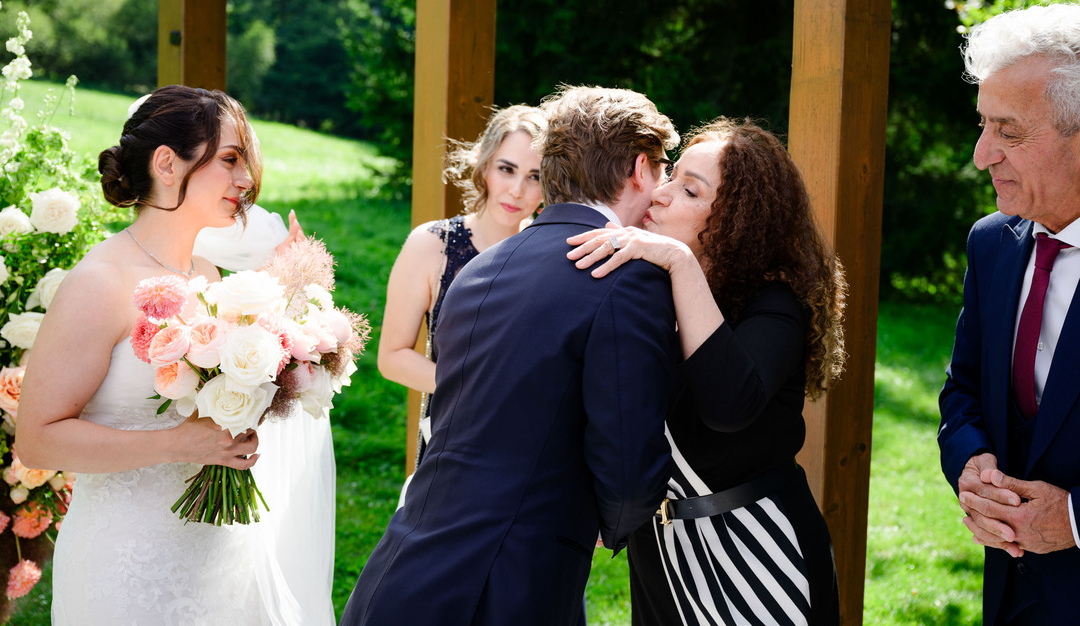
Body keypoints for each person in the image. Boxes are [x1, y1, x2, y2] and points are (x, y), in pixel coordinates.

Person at [340, 86, 682, 625]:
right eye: (664, 168)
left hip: (404, 568)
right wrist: (615, 519)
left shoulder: (479, 269)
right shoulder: (625, 275)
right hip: (509, 585)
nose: (664, 189)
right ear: (640, 166)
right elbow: (627, 450)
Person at [14, 85, 314, 625]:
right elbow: (38, 440)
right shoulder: (100, 284)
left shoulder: (208, 276)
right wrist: (176, 444)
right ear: (167, 163)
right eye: (230, 159)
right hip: (126, 562)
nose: (246, 180)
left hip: (219, 553)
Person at [568, 117, 846, 625]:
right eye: (670, 177)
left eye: (690, 191)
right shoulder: (641, 291)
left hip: (759, 550)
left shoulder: (775, 303)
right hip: (659, 552)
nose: (661, 194)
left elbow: (728, 406)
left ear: (740, 219)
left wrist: (679, 262)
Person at [937, 3, 1080, 625]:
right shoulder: (992, 244)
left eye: (1008, 130)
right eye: (982, 126)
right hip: (1010, 595)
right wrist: (970, 463)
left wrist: (1074, 519)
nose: (980, 155)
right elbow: (963, 389)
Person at [377, 104, 546, 487]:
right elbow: (392, 357)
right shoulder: (432, 244)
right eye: (506, 169)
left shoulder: (555, 256)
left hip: (534, 447)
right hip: (451, 444)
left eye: (534, 176)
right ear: (485, 166)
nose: (517, 190)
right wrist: (479, 389)